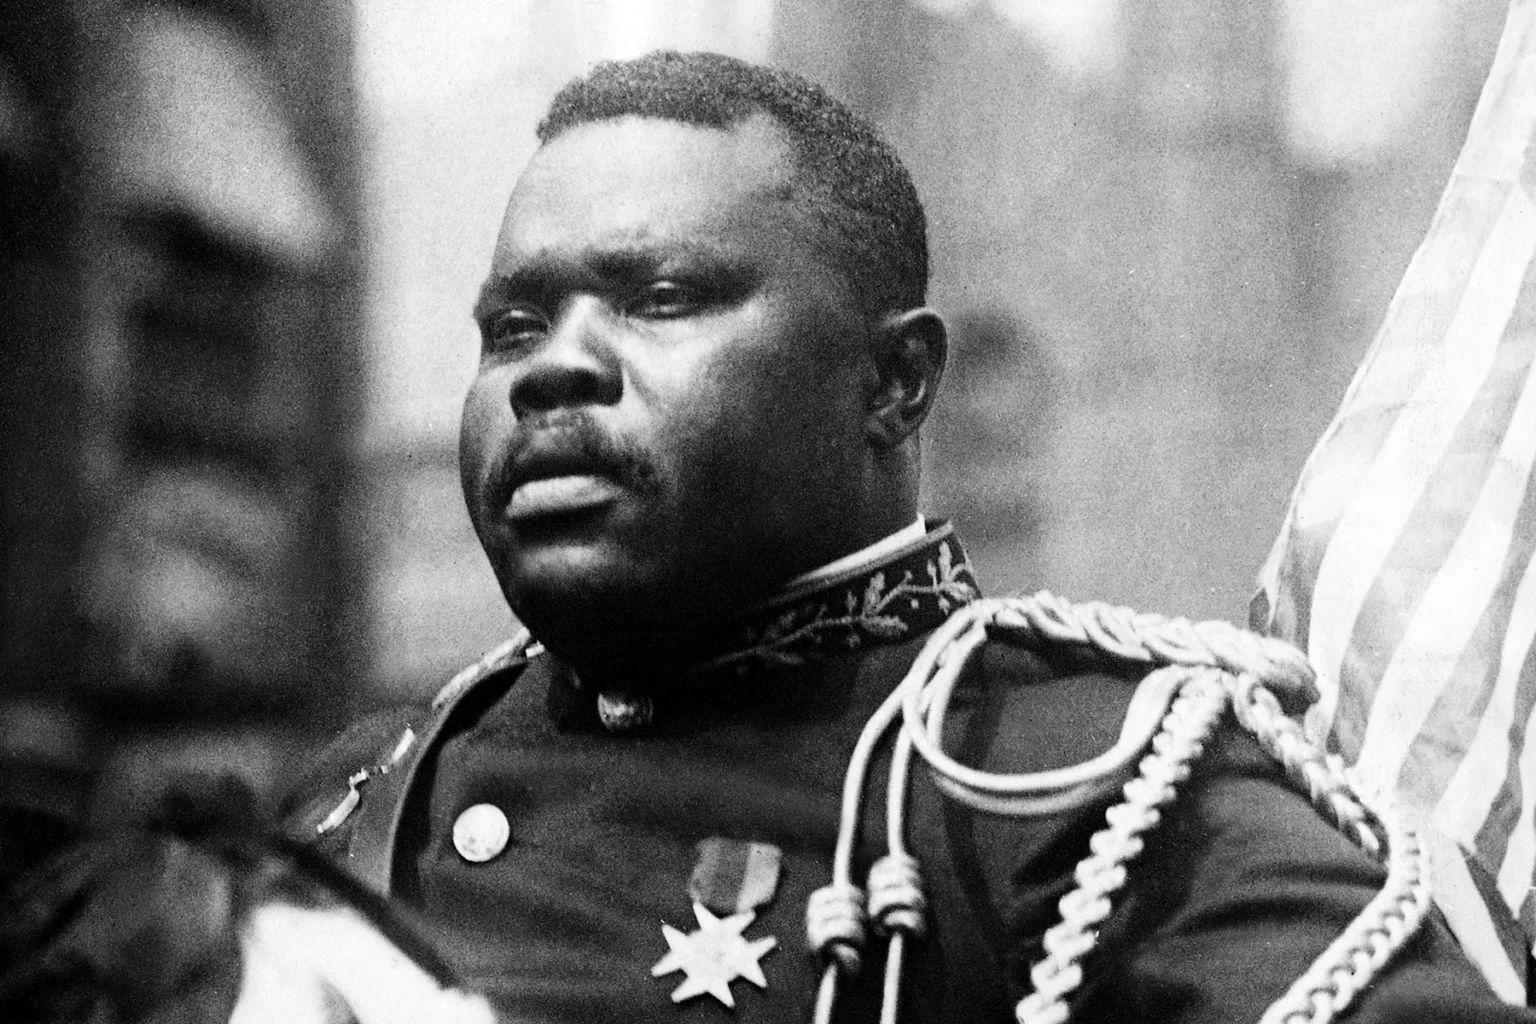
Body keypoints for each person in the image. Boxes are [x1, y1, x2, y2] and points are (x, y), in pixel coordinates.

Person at [277, 50, 1535, 1024]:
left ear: (894, 384)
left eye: (660, 299)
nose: (556, 371)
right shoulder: (363, 792)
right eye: (512, 326)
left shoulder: (1081, 780)